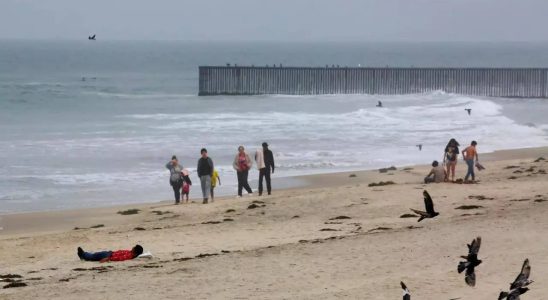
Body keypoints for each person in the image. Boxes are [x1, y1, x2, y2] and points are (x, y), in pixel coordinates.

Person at [77, 245, 143, 262]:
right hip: (110, 253)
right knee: (95, 255)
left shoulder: (129, 255)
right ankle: (83, 255)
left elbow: (119, 258)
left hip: (109, 255)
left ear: (135, 251)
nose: (133, 247)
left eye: (134, 247)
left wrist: (108, 259)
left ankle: (83, 254)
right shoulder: (131, 253)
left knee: (93, 257)